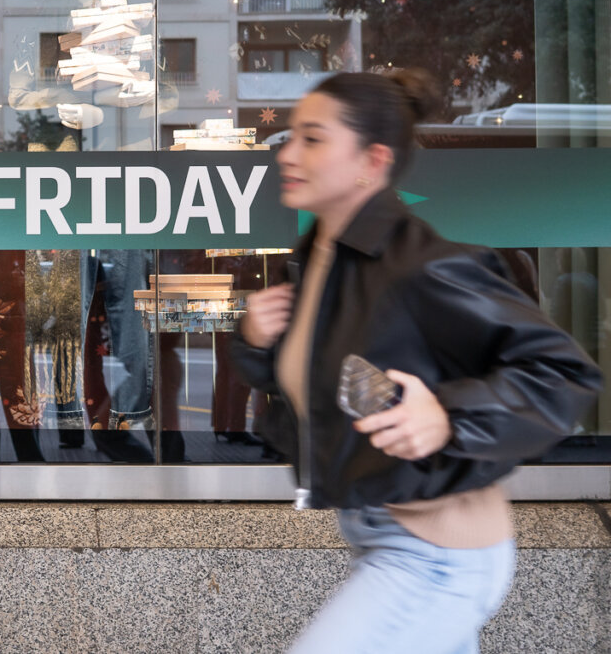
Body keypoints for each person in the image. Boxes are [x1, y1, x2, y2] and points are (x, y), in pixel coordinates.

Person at [230, 69, 602, 654]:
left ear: (371, 162)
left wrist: (448, 416)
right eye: (291, 135)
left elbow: (564, 373)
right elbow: (315, 385)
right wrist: (256, 340)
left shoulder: (418, 266)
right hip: (377, 530)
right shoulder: (317, 264)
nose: (287, 152)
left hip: (438, 551)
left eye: (313, 138)